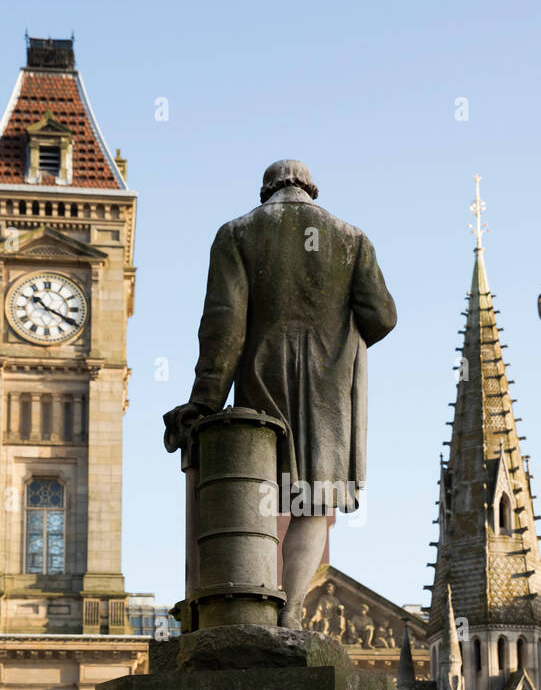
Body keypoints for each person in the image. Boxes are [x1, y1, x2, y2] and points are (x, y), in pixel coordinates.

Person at [163, 160, 397, 628]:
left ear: (265, 190)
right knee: (314, 502)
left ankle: (250, 608)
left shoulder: (237, 233)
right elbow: (382, 317)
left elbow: (222, 326)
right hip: (329, 399)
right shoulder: (352, 240)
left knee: (256, 493)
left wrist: (206, 399)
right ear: (311, 189)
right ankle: (290, 612)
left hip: (262, 385)